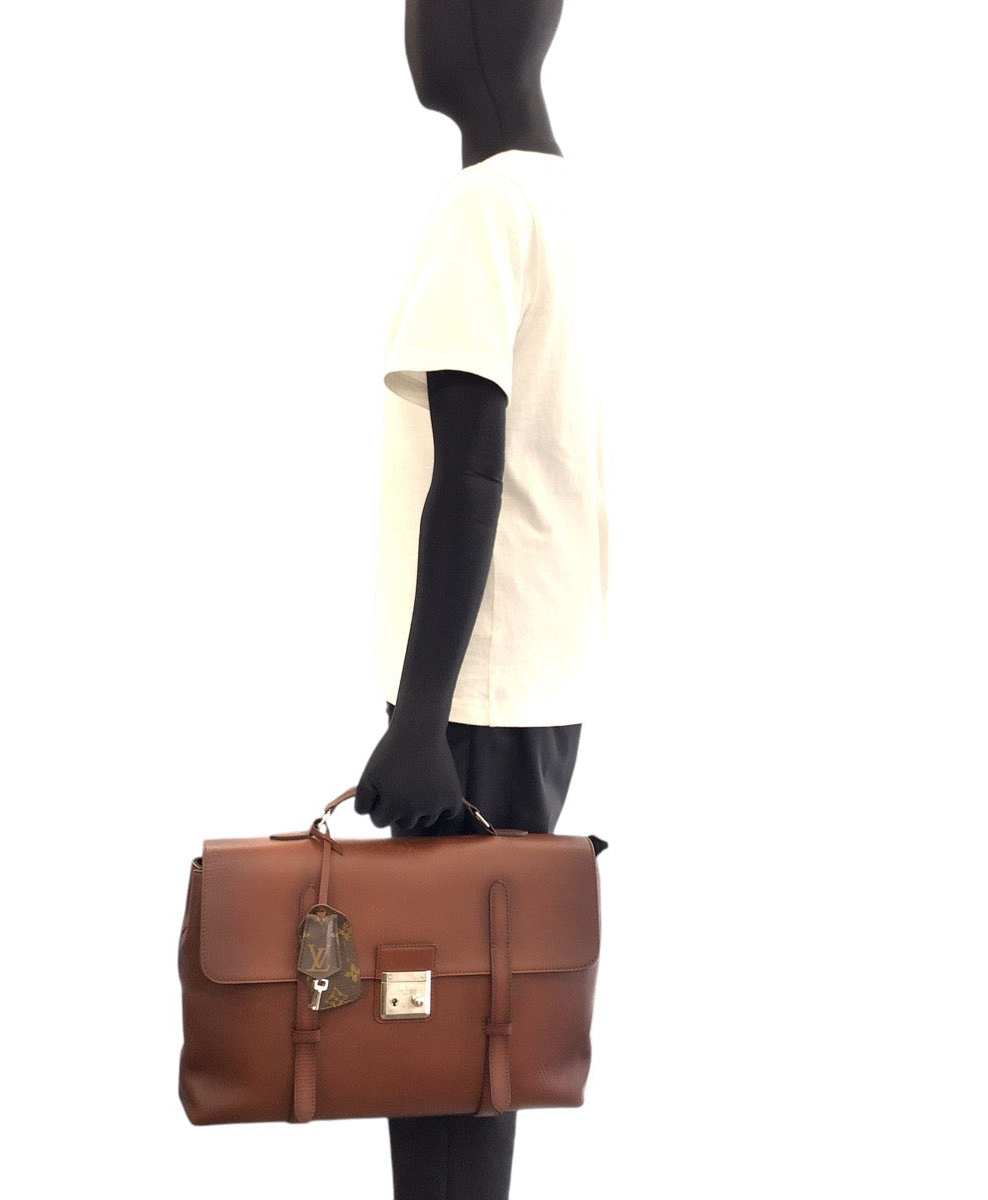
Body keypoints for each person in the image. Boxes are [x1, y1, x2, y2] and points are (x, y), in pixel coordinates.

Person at [352, 2, 608, 1197]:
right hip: (537, 680)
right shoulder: (563, 201)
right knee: (475, 1044)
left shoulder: (486, 206)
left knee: (438, 1052)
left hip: (475, 691)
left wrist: (420, 720)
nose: (408, 30)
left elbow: (470, 473)